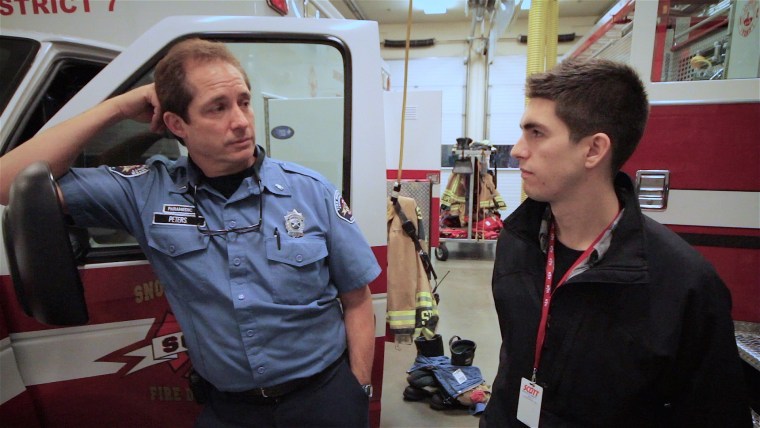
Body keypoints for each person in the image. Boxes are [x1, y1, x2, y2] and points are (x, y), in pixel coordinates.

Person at [0, 38, 380, 427]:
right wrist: (115, 108)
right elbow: (9, 184)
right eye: (218, 107)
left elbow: (357, 299)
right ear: (176, 124)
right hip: (231, 410)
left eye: (244, 102)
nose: (241, 121)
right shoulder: (145, 191)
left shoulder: (310, 191)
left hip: (325, 399)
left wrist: (357, 389)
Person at [481, 58, 752, 427]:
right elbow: (514, 363)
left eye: (537, 133)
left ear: (593, 150)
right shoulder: (519, 242)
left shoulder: (686, 285)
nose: (517, 149)